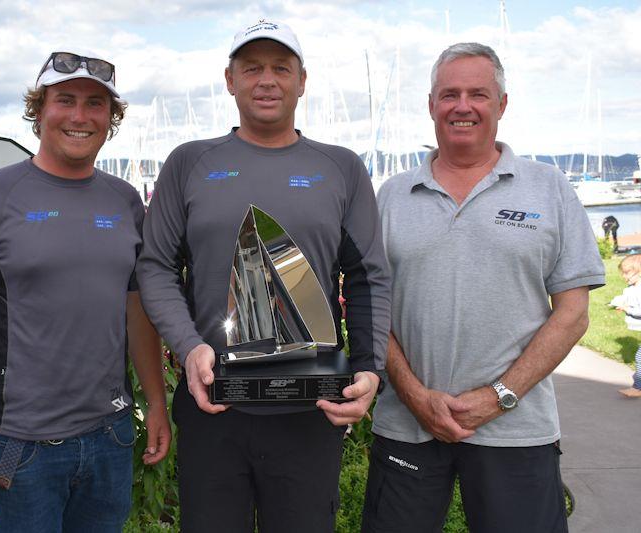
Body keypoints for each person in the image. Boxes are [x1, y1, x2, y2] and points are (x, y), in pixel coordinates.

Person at [136, 20, 391, 532]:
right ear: (230, 80)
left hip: (312, 408)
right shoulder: (190, 162)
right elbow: (157, 267)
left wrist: (370, 368)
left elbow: (368, 277)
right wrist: (189, 348)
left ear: (302, 80)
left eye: (281, 68)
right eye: (252, 68)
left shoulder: (341, 167)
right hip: (212, 404)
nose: (267, 80)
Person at [0, 48, 171, 532]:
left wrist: (156, 403)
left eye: (96, 104)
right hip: (23, 445)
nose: (80, 116)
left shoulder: (124, 201)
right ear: (38, 110)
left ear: (111, 118)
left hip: (112, 437)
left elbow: (137, 312)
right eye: (66, 100)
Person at [365, 42, 605, 533]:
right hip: (407, 427)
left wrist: (498, 398)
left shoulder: (549, 187)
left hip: (517, 430)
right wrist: (414, 395)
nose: (462, 106)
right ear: (431, 105)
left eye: (478, 93)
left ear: (502, 104)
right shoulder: (391, 196)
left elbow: (573, 314)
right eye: (449, 94)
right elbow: (371, 310)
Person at [609, 254, 641, 398]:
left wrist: (627, 309)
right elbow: (625, 297)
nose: (623, 275)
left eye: (627, 272)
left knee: (640, 357)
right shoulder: (632, 287)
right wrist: (616, 302)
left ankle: (638, 388)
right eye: (623, 272)